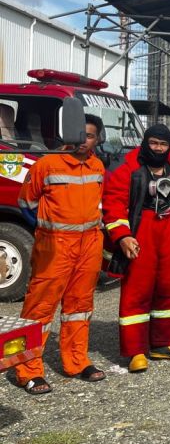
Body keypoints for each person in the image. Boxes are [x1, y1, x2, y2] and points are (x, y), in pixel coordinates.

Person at [14, 115, 106, 393]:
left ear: (97, 139)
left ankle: (77, 361)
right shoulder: (47, 165)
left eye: (89, 135)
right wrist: (48, 231)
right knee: (39, 308)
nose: (83, 140)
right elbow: (26, 204)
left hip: (89, 245)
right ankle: (27, 370)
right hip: (55, 246)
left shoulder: (97, 166)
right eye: (79, 133)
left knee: (80, 307)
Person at [103, 124, 170, 373]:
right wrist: (122, 236)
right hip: (141, 229)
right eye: (153, 143)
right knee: (137, 289)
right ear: (145, 142)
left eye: (163, 144)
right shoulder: (128, 168)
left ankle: (164, 344)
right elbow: (113, 203)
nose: (158, 148)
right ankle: (135, 350)